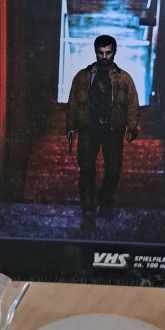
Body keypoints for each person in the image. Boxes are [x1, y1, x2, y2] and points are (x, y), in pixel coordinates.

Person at [66, 35, 139, 228]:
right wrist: (71, 126)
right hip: (88, 128)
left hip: (113, 129)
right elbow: (73, 102)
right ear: (95, 52)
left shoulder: (124, 78)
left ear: (114, 52)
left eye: (108, 53)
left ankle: (105, 202)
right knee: (86, 170)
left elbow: (132, 103)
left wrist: (131, 127)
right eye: (100, 53)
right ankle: (88, 212)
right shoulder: (83, 76)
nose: (104, 57)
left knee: (113, 169)